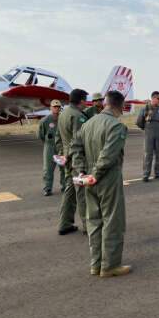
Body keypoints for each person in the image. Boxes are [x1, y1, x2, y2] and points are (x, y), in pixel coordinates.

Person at [71, 90, 131, 278]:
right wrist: (95, 174)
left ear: (105, 104)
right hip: (107, 178)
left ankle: (95, 264)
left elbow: (75, 147)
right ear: (120, 106)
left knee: (94, 222)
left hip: (89, 178)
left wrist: (82, 172)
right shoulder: (116, 126)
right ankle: (110, 266)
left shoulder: (88, 123)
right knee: (113, 221)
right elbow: (108, 155)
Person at [55, 88, 89, 236]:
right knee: (82, 192)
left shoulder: (64, 113)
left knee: (69, 190)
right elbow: (78, 141)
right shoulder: (77, 116)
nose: (86, 103)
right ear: (81, 100)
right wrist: (80, 164)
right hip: (77, 159)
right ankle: (88, 226)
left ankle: (65, 223)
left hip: (67, 158)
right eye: (85, 100)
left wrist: (63, 155)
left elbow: (59, 138)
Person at [136, 91, 159, 182]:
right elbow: (139, 122)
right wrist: (146, 128)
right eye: (158, 99)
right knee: (148, 154)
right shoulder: (145, 108)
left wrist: (157, 126)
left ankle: (158, 173)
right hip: (149, 132)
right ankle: (146, 175)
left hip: (158, 132)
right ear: (153, 98)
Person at [38, 99, 65, 196]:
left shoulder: (63, 119)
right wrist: (48, 143)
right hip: (49, 147)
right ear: (50, 108)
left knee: (63, 168)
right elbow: (41, 135)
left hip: (61, 147)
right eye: (54, 107)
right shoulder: (45, 120)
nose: (56, 109)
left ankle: (64, 186)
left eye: (58, 107)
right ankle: (47, 188)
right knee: (48, 169)